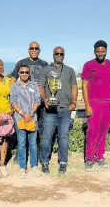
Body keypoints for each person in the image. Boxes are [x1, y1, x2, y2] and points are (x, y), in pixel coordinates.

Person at [39, 47, 78, 175]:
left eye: (61, 54)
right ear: (53, 55)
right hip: (50, 109)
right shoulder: (45, 70)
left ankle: (63, 162)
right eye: (57, 53)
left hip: (65, 108)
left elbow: (74, 87)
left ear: (64, 55)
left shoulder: (70, 70)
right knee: (47, 137)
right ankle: (44, 161)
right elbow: (41, 86)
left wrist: (73, 102)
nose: (59, 55)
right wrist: (44, 99)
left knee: (64, 137)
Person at [11, 42, 48, 162]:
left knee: (37, 130)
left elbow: (48, 82)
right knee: (21, 131)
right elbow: (13, 80)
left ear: (39, 50)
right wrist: (13, 98)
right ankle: (20, 155)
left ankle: (37, 155)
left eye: (36, 48)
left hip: (38, 104)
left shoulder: (44, 64)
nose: (34, 50)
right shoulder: (21, 63)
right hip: (22, 104)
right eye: (32, 48)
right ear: (28, 50)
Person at [81, 40, 110, 171]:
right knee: (92, 130)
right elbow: (84, 85)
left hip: (108, 102)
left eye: (103, 51)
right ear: (94, 51)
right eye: (98, 51)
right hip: (94, 102)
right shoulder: (89, 65)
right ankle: (89, 158)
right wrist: (87, 105)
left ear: (106, 51)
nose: (100, 53)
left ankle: (99, 156)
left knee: (103, 131)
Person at [10, 65, 42, 179]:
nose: (24, 74)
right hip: (20, 119)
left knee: (33, 143)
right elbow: (13, 102)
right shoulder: (14, 86)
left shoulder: (34, 85)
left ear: (29, 73)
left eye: (26, 72)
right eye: (22, 72)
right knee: (22, 143)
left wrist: (31, 113)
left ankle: (34, 166)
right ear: (18, 73)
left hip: (32, 118)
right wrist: (23, 114)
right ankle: (22, 167)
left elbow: (38, 100)